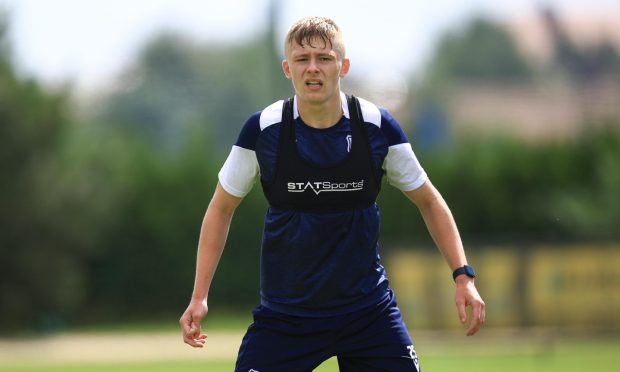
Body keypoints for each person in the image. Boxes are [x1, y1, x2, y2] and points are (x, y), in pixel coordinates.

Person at [180, 16, 485, 371]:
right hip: (286, 319)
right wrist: (199, 296)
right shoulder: (263, 130)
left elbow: (429, 200)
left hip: (368, 315)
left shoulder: (376, 126)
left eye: (324, 58)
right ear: (287, 68)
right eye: (302, 59)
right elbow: (221, 208)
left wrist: (463, 276)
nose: (313, 69)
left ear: (343, 66)